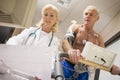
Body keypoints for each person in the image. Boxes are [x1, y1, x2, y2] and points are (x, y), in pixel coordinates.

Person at [6, 4, 60, 80]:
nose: (48, 17)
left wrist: (44, 73)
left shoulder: (55, 41)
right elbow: (14, 40)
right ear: (42, 16)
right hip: (17, 68)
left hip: (34, 74)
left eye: (51, 15)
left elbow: (51, 60)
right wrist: (16, 52)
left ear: (56, 19)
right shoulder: (30, 31)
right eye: (46, 14)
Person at [62, 5, 104, 80]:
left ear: (97, 18)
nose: (87, 16)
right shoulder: (75, 27)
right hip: (68, 65)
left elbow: (103, 56)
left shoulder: (99, 37)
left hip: (84, 71)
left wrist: (111, 66)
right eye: (86, 14)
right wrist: (70, 50)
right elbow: (65, 42)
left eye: (91, 14)